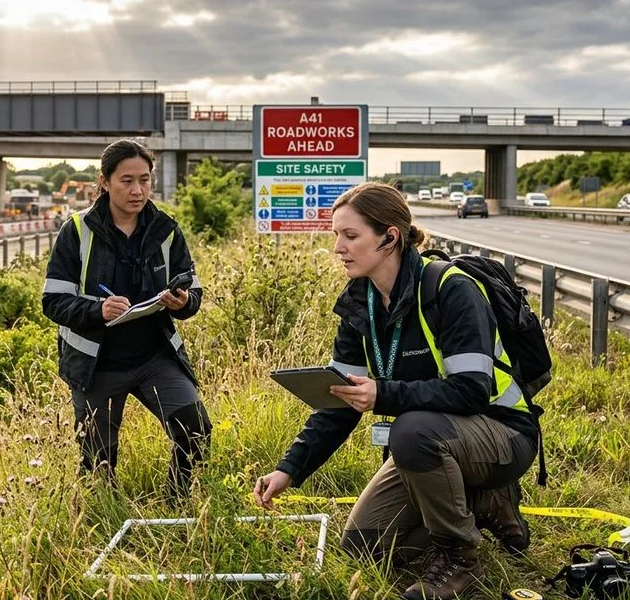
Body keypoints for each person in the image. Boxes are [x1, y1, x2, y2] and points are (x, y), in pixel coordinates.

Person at [253, 182, 539, 599]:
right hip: (430, 440)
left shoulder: (451, 289)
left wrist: (384, 395)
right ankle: (484, 503)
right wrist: (289, 470)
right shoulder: (358, 303)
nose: (338, 248)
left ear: (389, 238)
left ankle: (460, 561)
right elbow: (340, 402)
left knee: (411, 430)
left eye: (350, 236)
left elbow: (471, 392)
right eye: (336, 235)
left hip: (501, 433)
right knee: (363, 547)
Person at [41, 139, 211, 496]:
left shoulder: (166, 228)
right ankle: (105, 522)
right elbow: (53, 302)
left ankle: (175, 504)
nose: (138, 190)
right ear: (104, 181)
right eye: (127, 181)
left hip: (155, 357)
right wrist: (97, 310)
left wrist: (183, 302)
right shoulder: (76, 230)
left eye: (145, 180)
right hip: (96, 364)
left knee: (196, 431)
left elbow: (194, 293)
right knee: (98, 464)